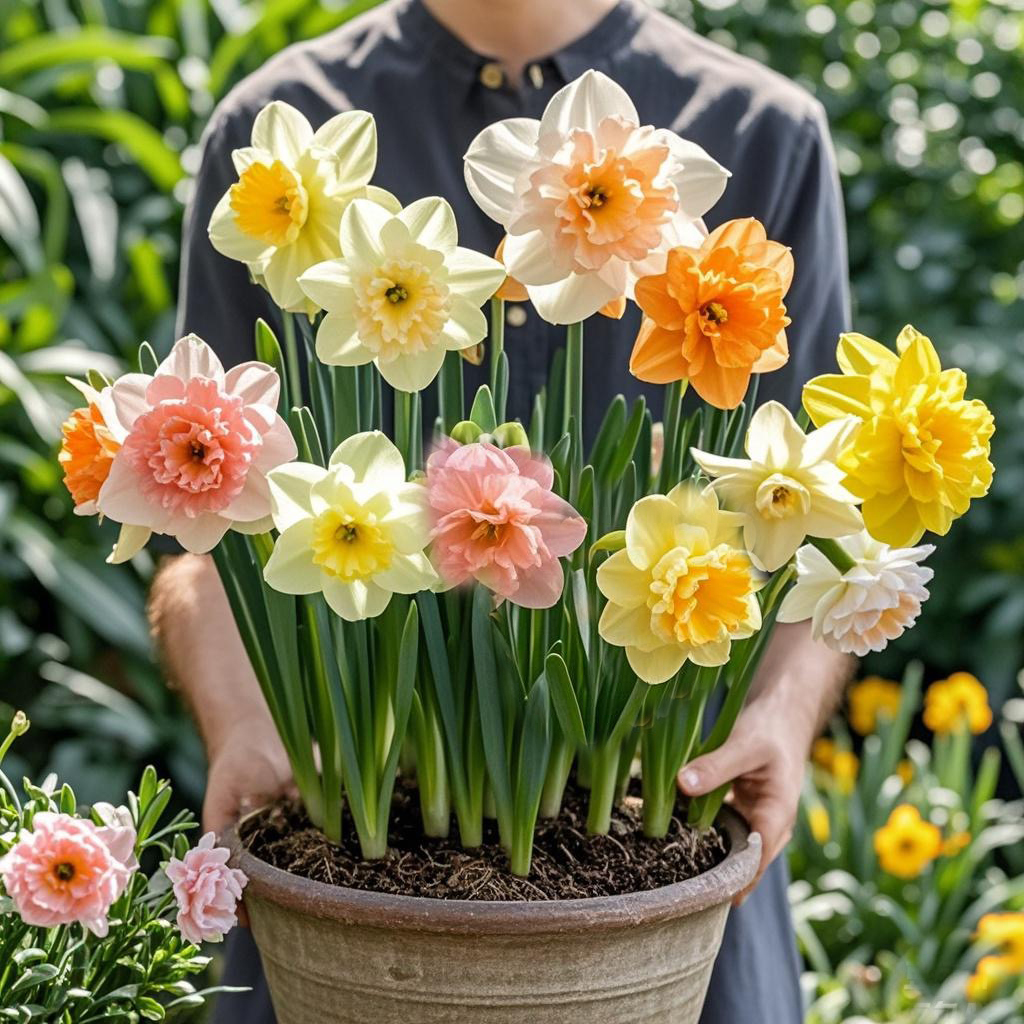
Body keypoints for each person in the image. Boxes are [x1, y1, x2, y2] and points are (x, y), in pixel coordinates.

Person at [153, 1, 854, 1021]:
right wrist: (247, 728)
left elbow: (818, 524)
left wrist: (779, 721)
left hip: (670, 861)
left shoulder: (759, 133)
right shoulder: (282, 132)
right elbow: (199, 530)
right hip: (347, 860)